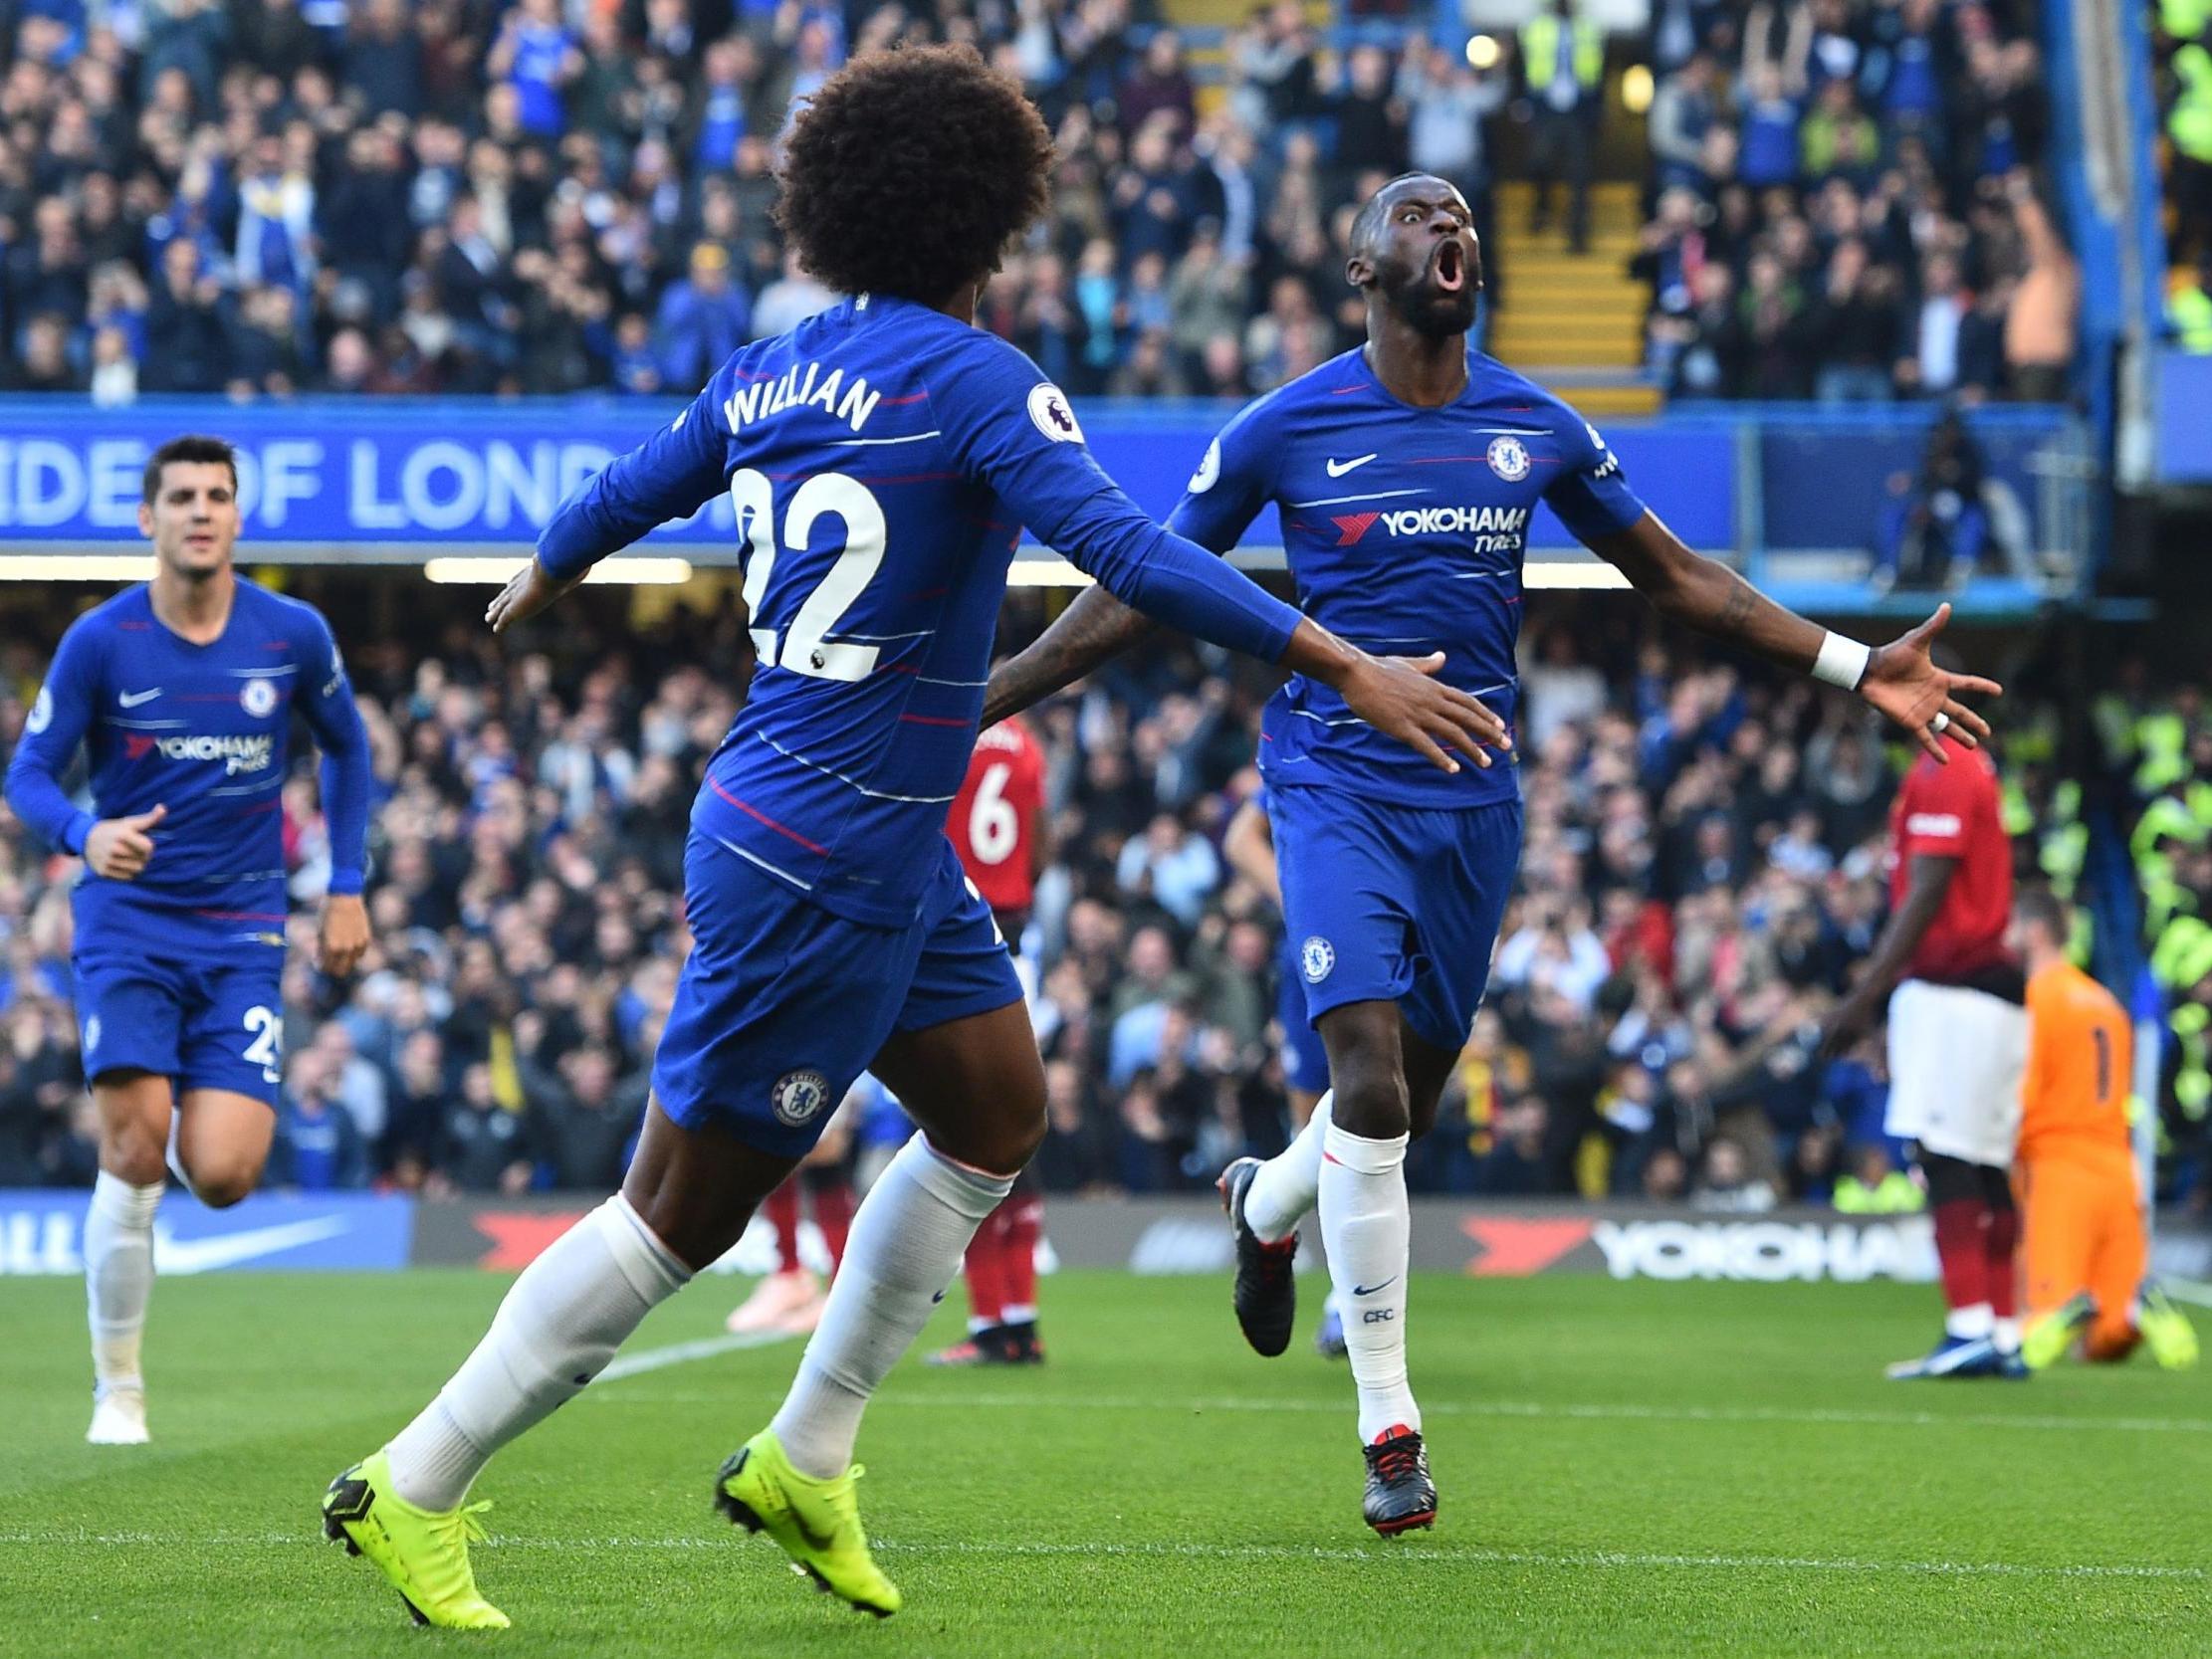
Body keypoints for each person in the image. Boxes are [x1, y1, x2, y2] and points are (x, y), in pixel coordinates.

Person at [319, 48, 1502, 1631]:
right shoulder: (976, 379)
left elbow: (631, 485)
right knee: (677, 1215)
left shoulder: (773, 367)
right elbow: (1134, 557)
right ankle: (415, 1478)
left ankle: (806, 1455)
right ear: (983, 217)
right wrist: (1340, 658)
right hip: (822, 851)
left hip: (848, 832)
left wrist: (543, 564)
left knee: (995, 1110)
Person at [981, 170, 1999, 1535]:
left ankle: (1265, 1202)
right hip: (1331, 777)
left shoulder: (1534, 423)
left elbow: (1680, 577)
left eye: (1457, 215)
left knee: (1386, 1109)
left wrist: (1854, 659)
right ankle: (1389, 1425)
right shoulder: (1285, 426)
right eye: (1410, 213)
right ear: (1359, 265)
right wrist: (977, 695)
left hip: (1472, 802)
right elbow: (1140, 587)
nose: (1444, 227)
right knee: (1370, 1084)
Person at [2, 434, 371, 1445]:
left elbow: (349, 746)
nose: (200, 511)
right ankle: (117, 1385)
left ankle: (130, 1337)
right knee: (134, 1144)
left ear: (237, 516)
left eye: (217, 495)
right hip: (127, 924)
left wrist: (346, 884)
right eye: (181, 496)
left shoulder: (290, 633)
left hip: (244, 929)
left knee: (223, 1171)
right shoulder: (102, 641)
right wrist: (85, 831)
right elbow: (27, 775)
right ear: (147, 517)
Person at [1819, 724, 2023, 1379]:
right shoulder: (1967, 766)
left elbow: (1931, 882)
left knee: (1945, 1155)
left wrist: (1864, 995)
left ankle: (1968, 1328)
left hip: (1953, 988)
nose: (1876, 701)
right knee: (1986, 1163)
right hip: (1989, 989)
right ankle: (2002, 1331)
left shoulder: (1945, 767)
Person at [2010, 891, 2198, 1371]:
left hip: (2060, 1163)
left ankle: (2067, 1310)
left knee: (2040, 1316)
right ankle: (2136, 1311)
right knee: (2107, 1333)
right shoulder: (2105, 1002)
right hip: (2118, 1163)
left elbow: (2023, 1087)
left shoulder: (2037, 998)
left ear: (2034, 932)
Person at [932, 718, 1051, 1365]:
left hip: (958, 939)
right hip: (1017, 943)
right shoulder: (1027, 741)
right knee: (1015, 1132)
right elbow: (1040, 846)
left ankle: (987, 1324)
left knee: (962, 1136)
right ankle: (1021, 1319)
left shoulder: (948, 722)